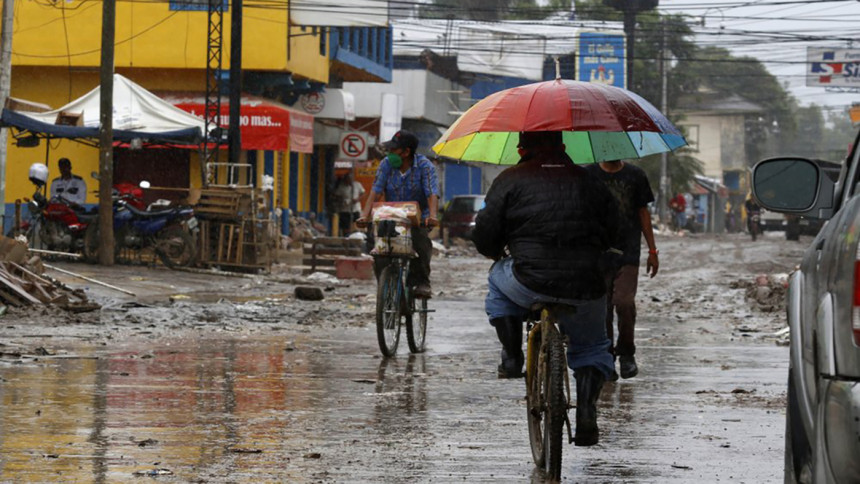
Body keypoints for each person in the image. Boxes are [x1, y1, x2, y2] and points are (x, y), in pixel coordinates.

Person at [472, 131, 619, 447]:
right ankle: (587, 414)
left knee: (497, 282)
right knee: (593, 345)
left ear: (521, 148)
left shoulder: (509, 179)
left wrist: (496, 249)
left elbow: (485, 235)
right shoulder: (592, 182)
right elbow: (615, 232)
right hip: (586, 284)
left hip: (529, 281)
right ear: (563, 146)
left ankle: (512, 358)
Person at [584, 159, 659, 381]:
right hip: (598, 252)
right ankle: (606, 357)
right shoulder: (588, 175)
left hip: (628, 252)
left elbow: (643, 213)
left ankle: (626, 353)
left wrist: (652, 250)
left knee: (624, 303)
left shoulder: (636, 175)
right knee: (602, 308)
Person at [356, 130, 440, 298]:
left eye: (394, 150)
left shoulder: (424, 166)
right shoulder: (386, 164)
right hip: (390, 214)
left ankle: (422, 281)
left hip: (417, 218)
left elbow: (431, 193)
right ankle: (385, 283)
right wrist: (364, 216)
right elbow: (375, 191)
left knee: (420, 241)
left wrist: (432, 216)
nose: (390, 153)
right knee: (378, 247)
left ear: (406, 152)